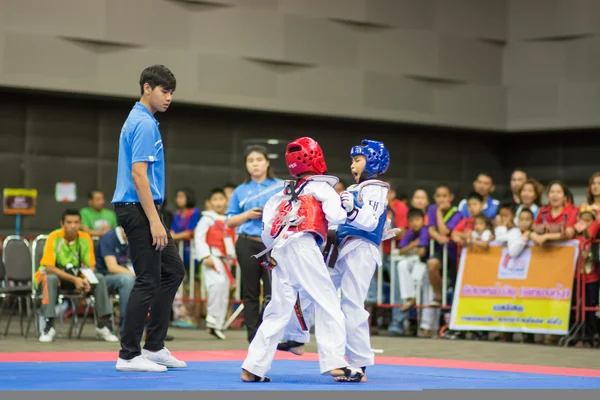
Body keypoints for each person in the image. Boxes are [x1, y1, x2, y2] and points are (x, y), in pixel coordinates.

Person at [240, 137, 364, 384]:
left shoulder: (283, 191)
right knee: (328, 302)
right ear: (317, 159)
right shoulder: (322, 188)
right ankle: (336, 363)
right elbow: (337, 217)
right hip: (303, 246)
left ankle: (252, 367)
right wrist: (350, 207)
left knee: (277, 310)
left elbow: (266, 231)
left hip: (278, 250)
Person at [278, 139, 392, 382]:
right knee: (313, 289)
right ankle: (297, 336)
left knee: (351, 303)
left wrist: (352, 211)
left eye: (358, 160)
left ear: (372, 162)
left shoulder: (376, 187)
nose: (353, 165)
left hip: (361, 249)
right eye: (352, 160)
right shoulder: (353, 189)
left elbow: (371, 221)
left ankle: (359, 363)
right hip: (340, 247)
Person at [111, 64, 186, 372]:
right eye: (163, 91)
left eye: (171, 92)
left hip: (144, 208)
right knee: (147, 279)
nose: (168, 97)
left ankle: (154, 346)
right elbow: (139, 175)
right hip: (138, 208)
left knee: (173, 270)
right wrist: (155, 220)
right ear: (147, 88)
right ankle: (128, 354)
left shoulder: (145, 120)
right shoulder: (142, 123)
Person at [226, 145, 284, 343]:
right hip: (247, 243)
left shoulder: (280, 186)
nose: (255, 164)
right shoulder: (240, 191)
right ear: (246, 166)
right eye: (251, 161)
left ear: (267, 162)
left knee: (272, 292)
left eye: (259, 159)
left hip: (272, 245)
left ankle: (267, 336)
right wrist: (248, 215)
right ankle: (253, 338)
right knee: (249, 292)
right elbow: (230, 221)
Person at [34, 209, 119, 343]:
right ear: (62, 224)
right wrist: (76, 280)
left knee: (99, 278)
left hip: (77, 277)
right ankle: (48, 326)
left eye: (76, 222)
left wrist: (85, 280)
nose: (73, 226)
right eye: (69, 222)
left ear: (80, 224)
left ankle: (104, 325)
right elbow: (49, 268)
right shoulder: (53, 237)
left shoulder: (85, 238)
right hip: (52, 276)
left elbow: (91, 266)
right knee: (50, 278)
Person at [194, 188, 237, 340]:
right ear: (209, 203)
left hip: (225, 259)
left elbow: (233, 239)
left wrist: (233, 256)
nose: (218, 202)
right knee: (216, 285)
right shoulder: (207, 219)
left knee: (224, 291)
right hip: (212, 257)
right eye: (215, 200)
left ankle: (217, 324)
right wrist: (205, 255)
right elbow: (199, 237)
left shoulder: (230, 219)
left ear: (226, 201)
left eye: (221, 199)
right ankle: (211, 316)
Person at [95, 226, 136, 331]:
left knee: (154, 277)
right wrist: (136, 275)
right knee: (127, 280)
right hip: (105, 277)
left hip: (128, 273)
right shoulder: (109, 238)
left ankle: (155, 330)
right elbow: (112, 267)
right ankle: (126, 328)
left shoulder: (133, 237)